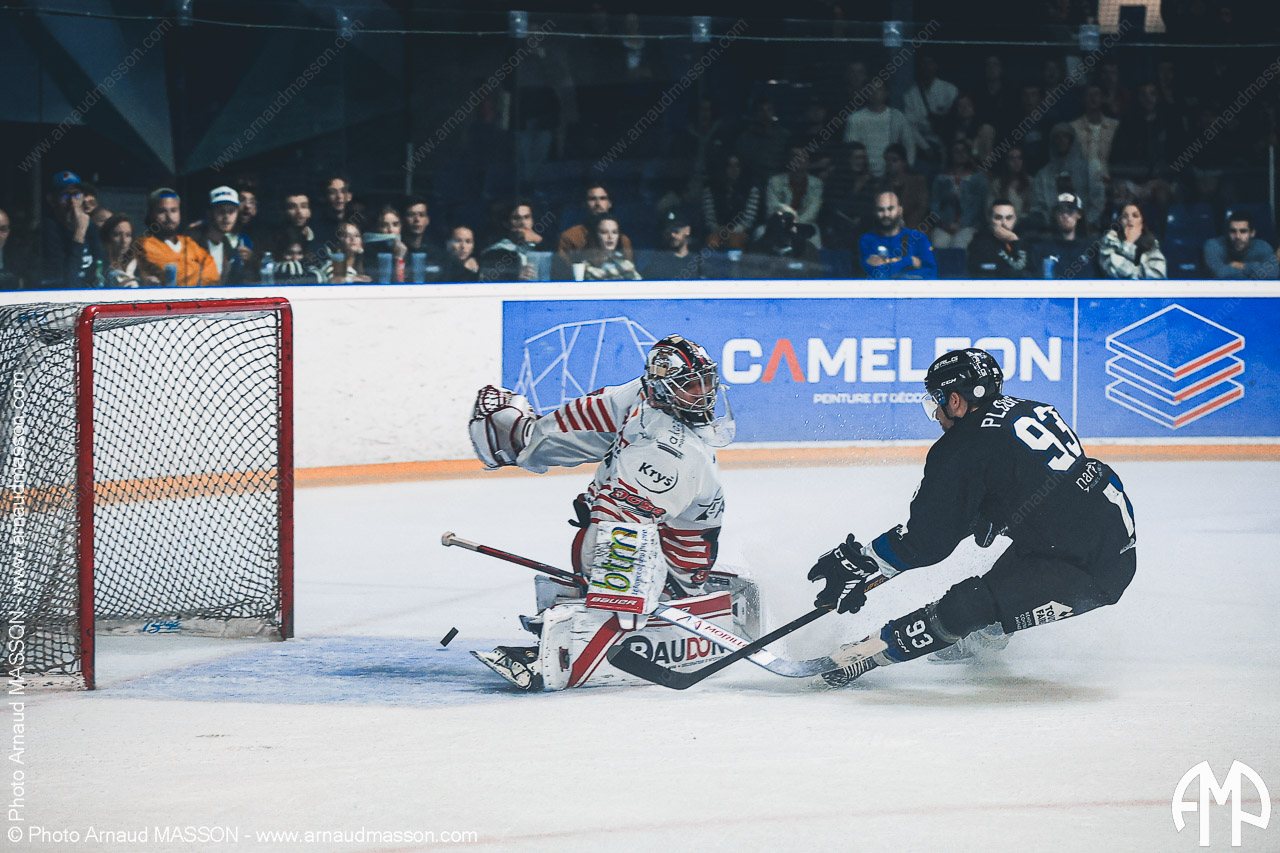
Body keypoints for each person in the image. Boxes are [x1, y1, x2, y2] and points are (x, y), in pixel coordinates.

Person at [806, 348, 1136, 686]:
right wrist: (992, 510)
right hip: (1089, 536)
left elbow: (927, 542)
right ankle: (985, 638)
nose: (936, 413)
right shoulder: (1031, 409)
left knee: (966, 606)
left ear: (956, 400)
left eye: (937, 400)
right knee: (994, 597)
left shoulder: (963, 447)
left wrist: (862, 561)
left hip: (1090, 569)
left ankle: (866, 654)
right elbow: (1040, 478)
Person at [467, 335, 755, 691]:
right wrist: (523, 436)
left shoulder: (674, 451)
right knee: (604, 528)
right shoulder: (639, 401)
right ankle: (610, 608)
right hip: (647, 535)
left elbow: (623, 526)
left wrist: (619, 601)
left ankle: (615, 614)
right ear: (659, 388)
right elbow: (581, 423)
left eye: (706, 382)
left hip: (675, 572)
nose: (703, 395)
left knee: (608, 533)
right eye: (690, 385)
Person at [134, 187, 219, 287]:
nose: (169, 217)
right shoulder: (143, 245)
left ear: (180, 213)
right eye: (162, 211)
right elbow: (174, 277)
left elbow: (211, 273)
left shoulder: (189, 243)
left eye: (173, 210)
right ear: (151, 215)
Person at [39, 170, 102, 289]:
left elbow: (102, 265)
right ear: (52, 200)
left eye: (77, 195)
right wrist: (79, 234)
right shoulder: (47, 230)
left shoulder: (91, 228)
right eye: (65, 196)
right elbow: (67, 281)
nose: (72, 203)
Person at [555, 183, 633, 277]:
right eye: (592, 199)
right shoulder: (570, 237)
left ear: (610, 203)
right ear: (584, 204)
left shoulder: (622, 240)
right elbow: (565, 273)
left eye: (603, 198)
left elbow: (629, 274)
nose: (598, 204)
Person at [843, 79, 916, 177]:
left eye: (879, 89)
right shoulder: (855, 119)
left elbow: (909, 145)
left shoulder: (897, 117)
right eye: (871, 90)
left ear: (886, 93)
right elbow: (851, 149)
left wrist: (908, 167)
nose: (874, 93)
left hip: (892, 174)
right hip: (864, 175)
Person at [859, 191, 937, 280]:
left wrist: (888, 266)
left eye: (890, 209)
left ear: (900, 210)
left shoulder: (918, 238)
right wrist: (909, 261)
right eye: (881, 210)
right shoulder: (867, 240)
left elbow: (931, 274)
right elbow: (875, 274)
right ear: (875, 212)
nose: (886, 214)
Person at [930, 138, 988, 250]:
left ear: (968, 154)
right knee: (939, 245)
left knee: (959, 246)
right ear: (951, 154)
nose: (960, 154)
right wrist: (943, 223)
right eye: (956, 151)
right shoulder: (941, 179)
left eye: (963, 151)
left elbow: (978, 207)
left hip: (968, 225)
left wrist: (962, 224)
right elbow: (934, 204)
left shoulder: (978, 179)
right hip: (944, 224)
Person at [189, 186, 254, 286]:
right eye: (221, 211)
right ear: (210, 213)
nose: (226, 217)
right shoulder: (194, 242)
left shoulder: (232, 245)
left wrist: (250, 263)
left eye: (231, 211)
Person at [764, 143, 824, 248]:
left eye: (803, 156)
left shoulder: (817, 184)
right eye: (795, 156)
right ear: (789, 159)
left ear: (808, 161)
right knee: (760, 233)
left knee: (815, 241)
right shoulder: (775, 181)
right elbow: (773, 208)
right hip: (779, 225)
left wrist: (795, 225)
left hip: (805, 225)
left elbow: (812, 211)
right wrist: (787, 223)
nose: (799, 159)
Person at [1030, 193, 1100, 279]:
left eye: (1070, 211)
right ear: (1055, 215)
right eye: (1061, 211)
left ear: (1079, 215)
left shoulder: (1091, 250)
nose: (1065, 215)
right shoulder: (1043, 249)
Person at [702, 154, 760, 250]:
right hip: (717, 230)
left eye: (737, 166)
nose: (734, 169)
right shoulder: (711, 188)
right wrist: (718, 229)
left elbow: (749, 218)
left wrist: (733, 231)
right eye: (730, 166)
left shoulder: (751, 189)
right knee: (712, 242)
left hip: (741, 230)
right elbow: (709, 215)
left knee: (735, 243)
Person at [1202, 212, 1279, 280]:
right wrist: (1256, 271)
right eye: (1233, 231)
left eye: (1243, 231)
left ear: (1252, 233)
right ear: (1227, 232)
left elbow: (1273, 274)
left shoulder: (1262, 247)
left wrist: (1244, 266)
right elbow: (1219, 274)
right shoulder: (1214, 245)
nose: (1237, 236)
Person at [1099, 204, 1167, 280]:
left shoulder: (1152, 243)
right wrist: (1129, 242)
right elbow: (1116, 273)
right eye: (1125, 216)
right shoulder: (1109, 240)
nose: (1130, 219)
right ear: (1120, 221)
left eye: (1135, 216)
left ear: (1142, 220)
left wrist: (1134, 273)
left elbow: (1158, 276)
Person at [967, 199, 1031, 278]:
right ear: (990, 219)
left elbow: (1030, 272)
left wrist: (1015, 241)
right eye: (998, 218)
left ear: (1015, 219)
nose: (1004, 223)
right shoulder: (979, 243)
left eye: (1009, 218)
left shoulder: (1022, 240)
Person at [572, 215, 641, 281]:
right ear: (595, 235)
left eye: (614, 232)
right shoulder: (582, 267)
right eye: (604, 232)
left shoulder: (626, 265)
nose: (610, 236)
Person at [100, 214, 159, 288]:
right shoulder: (101, 266)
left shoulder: (139, 264)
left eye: (128, 235)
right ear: (107, 238)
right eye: (117, 235)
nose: (124, 240)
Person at [642, 212, 700, 280]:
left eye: (676, 230)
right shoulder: (658, 263)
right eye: (669, 231)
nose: (672, 235)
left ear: (687, 230)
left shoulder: (700, 260)